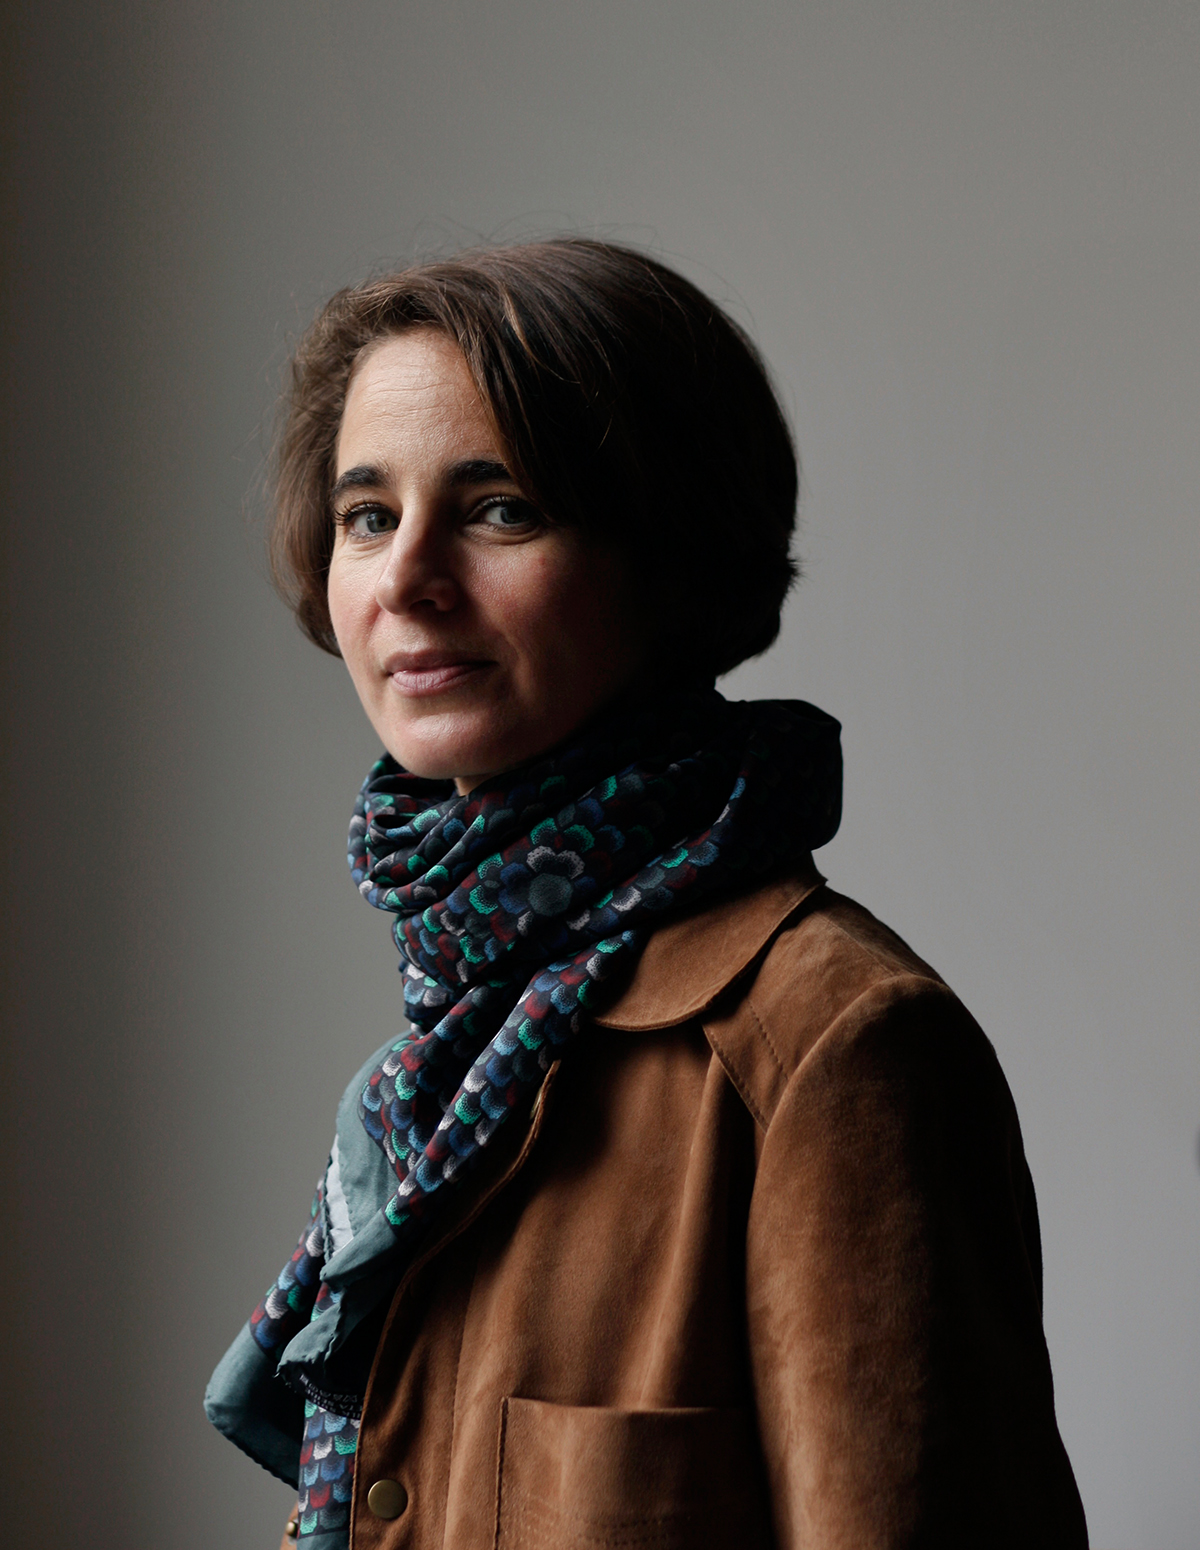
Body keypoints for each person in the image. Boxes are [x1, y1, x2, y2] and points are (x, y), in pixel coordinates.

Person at [205, 238, 1089, 1550]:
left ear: (670, 561)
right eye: (368, 516)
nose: (405, 579)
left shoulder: (832, 1046)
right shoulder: (448, 1053)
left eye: (499, 508)